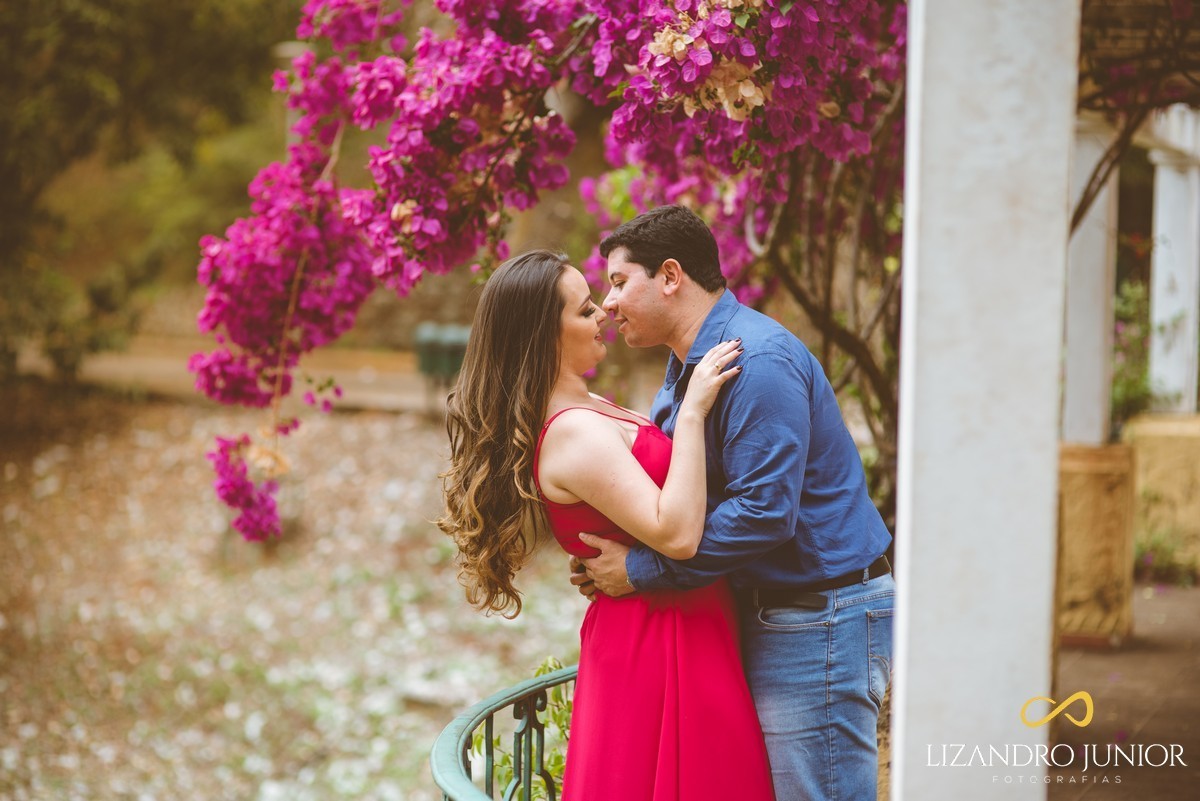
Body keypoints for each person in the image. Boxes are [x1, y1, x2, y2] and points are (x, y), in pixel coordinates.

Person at [572, 204, 896, 801]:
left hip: (817, 617)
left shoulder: (755, 363)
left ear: (670, 277)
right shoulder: (686, 366)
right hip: (780, 612)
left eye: (619, 283)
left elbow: (764, 512)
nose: (608, 303)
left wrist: (641, 570)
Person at [438, 249, 775, 801]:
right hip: (660, 639)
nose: (604, 315)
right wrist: (690, 414)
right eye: (585, 309)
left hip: (683, 618)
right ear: (542, 337)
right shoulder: (572, 432)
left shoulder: (587, 405)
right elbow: (677, 533)